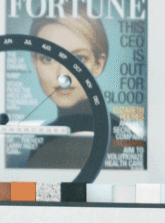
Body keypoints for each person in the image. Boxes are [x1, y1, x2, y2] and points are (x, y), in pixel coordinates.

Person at [21, 13, 119, 170]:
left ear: (98, 64)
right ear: (34, 62)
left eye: (79, 59)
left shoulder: (114, 139)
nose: (62, 75)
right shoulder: (45, 138)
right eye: (48, 58)